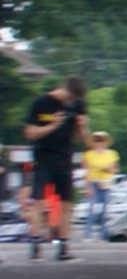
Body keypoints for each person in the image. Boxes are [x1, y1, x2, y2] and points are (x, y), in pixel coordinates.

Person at [22, 76, 87, 261]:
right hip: (43, 157)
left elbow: (82, 139)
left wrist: (82, 128)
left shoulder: (78, 105)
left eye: (74, 99)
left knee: (66, 204)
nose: (70, 102)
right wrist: (53, 125)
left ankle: (63, 247)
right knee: (39, 202)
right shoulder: (41, 103)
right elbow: (30, 133)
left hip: (65, 159)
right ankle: (35, 244)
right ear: (63, 89)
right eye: (69, 97)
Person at [83, 131, 119, 241]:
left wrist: (107, 169)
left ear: (106, 142)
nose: (99, 143)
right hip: (93, 182)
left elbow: (115, 169)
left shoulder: (112, 154)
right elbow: (87, 172)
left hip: (106, 183)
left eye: (101, 140)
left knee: (105, 210)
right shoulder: (88, 154)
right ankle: (88, 235)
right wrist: (87, 187)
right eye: (96, 140)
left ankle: (103, 235)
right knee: (91, 209)